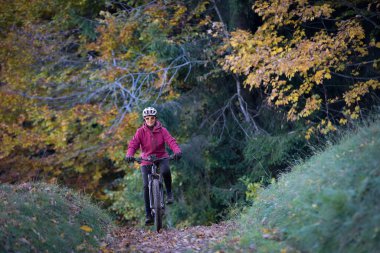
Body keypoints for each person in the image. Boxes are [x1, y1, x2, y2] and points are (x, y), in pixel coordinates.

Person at [125, 107, 182, 225]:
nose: (150, 121)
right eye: (147, 118)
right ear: (144, 119)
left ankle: (169, 194)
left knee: (166, 170)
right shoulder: (140, 131)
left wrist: (177, 151)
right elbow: (133, 144)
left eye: (152, 118)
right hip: (146, 159)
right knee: (146, 186)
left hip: (161, 157)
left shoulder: (162, 130)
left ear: (156, 119)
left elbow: (171, 141)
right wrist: (129, 155)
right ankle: (148, 215)